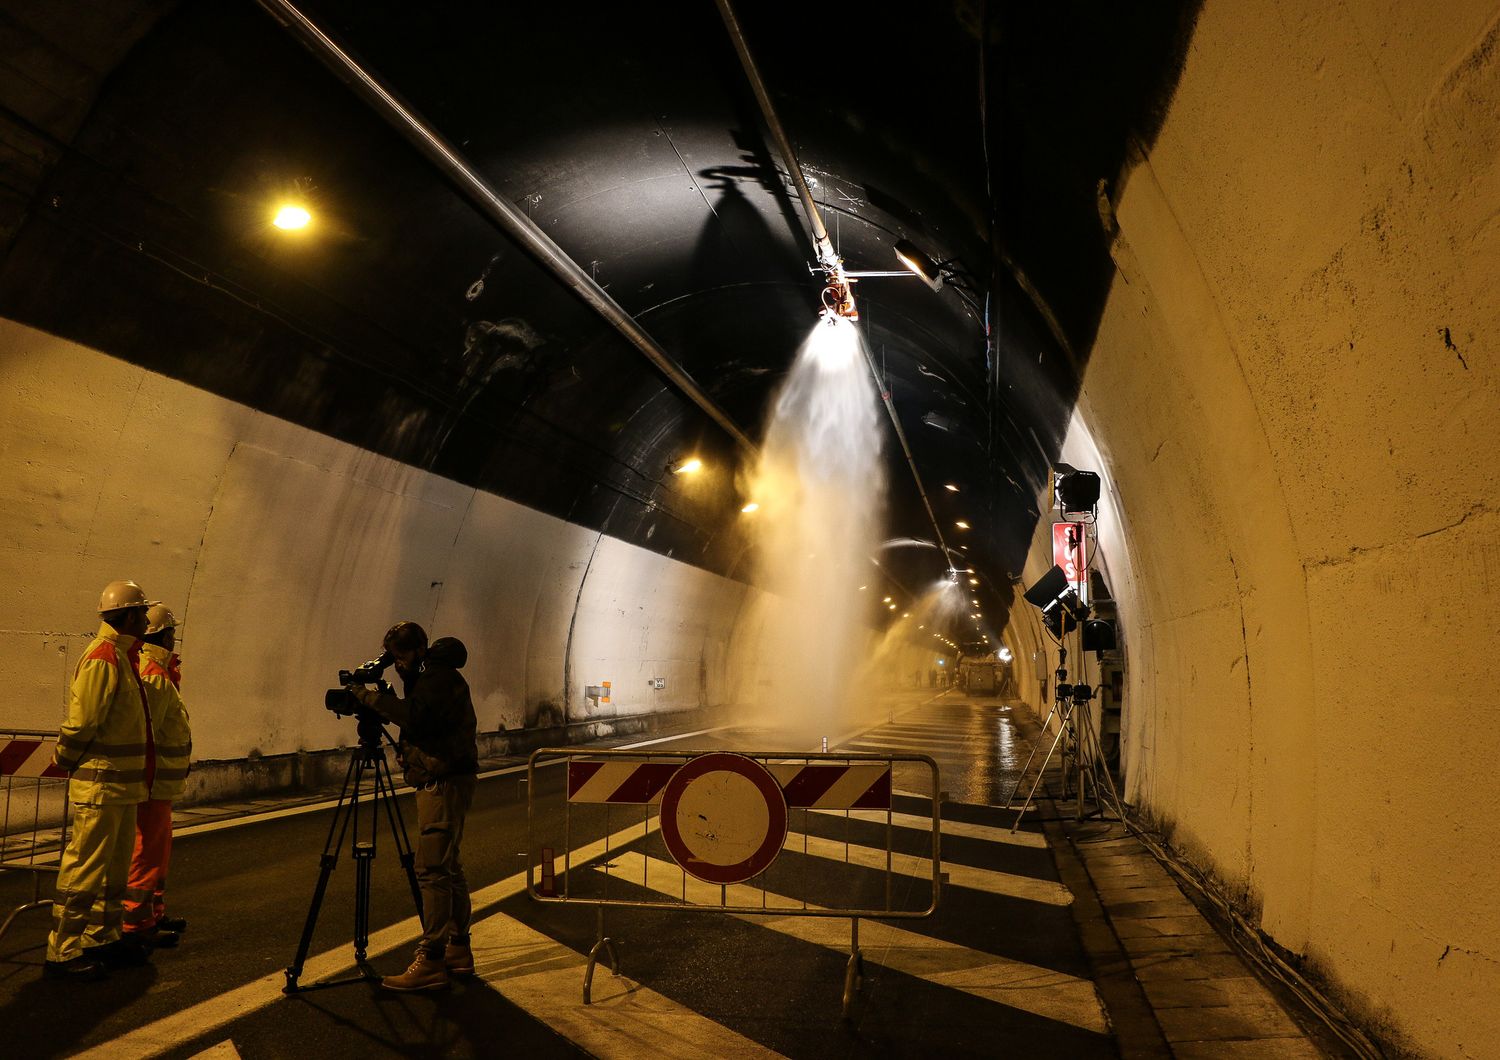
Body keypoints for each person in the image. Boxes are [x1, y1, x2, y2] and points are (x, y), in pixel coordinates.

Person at [353, 621, 478, 991]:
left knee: (432, 869)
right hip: (447, 776)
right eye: (394, 658)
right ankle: (458, 949)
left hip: (443, 779)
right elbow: (419, 710)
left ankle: (432, 959)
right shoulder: (431, 674)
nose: (399, 664)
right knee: (448, 867)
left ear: (420, 649)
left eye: (401, 656)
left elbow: (415, 716)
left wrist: (369, 697)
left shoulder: (437, 677)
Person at [44, 580, 159, 980]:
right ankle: (64, 950)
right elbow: (83, 721)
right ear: (127, 616)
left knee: (112, 869)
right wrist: (65, 759)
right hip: (101, 786)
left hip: (121, 788)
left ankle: (102, 937)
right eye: (142, 613)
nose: (146, 620)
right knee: (84, 869)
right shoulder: (104, 657)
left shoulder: (123, 657)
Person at [122, 604, 192, 946]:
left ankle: (153, 913)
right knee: (147, 852)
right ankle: (136, 924)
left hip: (161, 782)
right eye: (172, 633)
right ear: (163, 635)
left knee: (157, 853)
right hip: (152, 781)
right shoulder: (152, 673)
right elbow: (148, 733)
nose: (175, 638)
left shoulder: (159, 671)